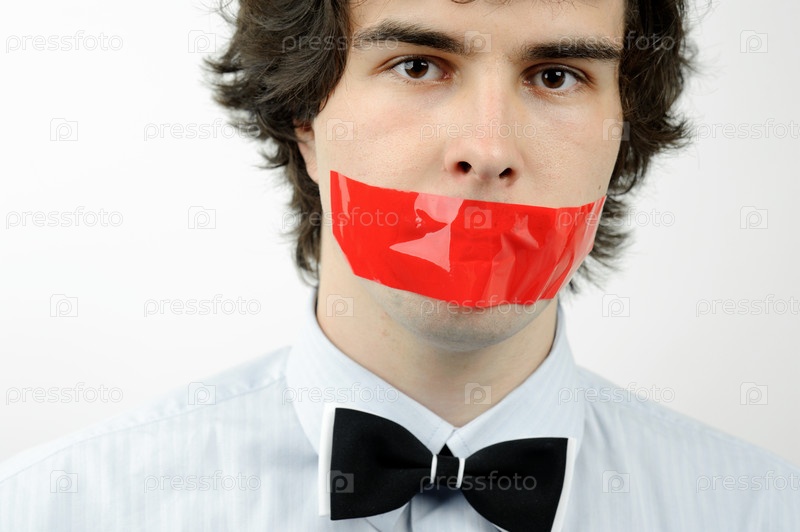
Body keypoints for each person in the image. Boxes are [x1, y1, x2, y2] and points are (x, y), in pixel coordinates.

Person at [1, 0, 798, 530]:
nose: (488, 148)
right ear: (305, 118)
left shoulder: (762, 512)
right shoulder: (56, 509)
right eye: (418, 65)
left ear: (624, 133)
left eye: (557, 76)